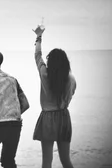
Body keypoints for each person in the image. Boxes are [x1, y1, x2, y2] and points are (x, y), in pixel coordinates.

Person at [33, 25, 77, 168]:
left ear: (50, 61)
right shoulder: (70, 78)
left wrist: (39, 37)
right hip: (63, 117)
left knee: (47, 161)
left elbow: (37, 55)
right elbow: (71, 95)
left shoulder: (45, 74)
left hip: (47, 118)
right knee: (66, 159)